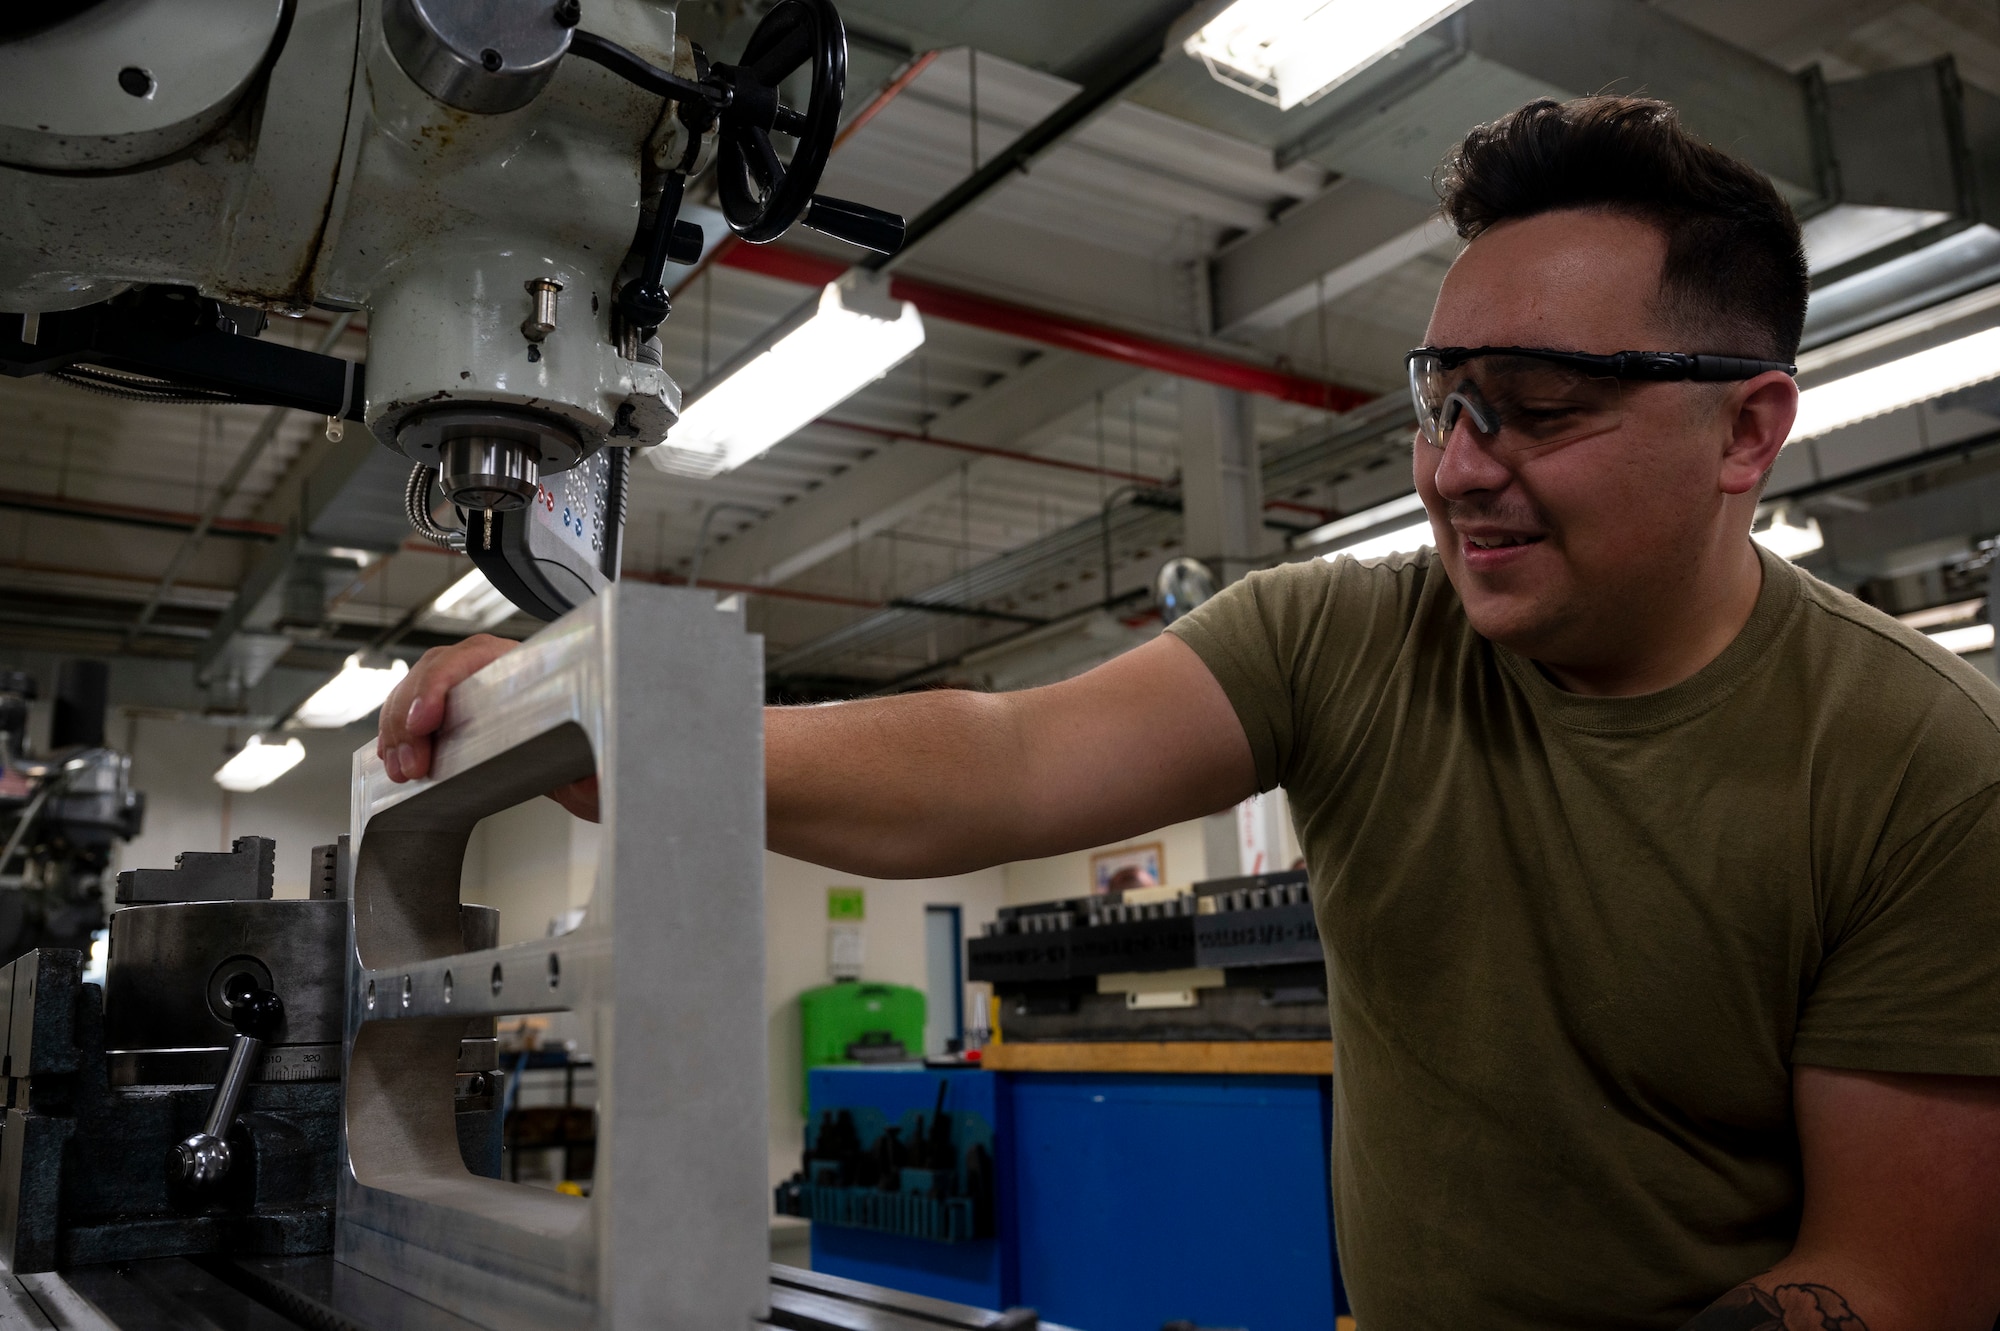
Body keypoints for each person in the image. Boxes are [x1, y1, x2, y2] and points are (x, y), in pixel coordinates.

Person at [378, 97, 2000, 1330]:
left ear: (1747, 431)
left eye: (1542, 411)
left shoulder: (1919, 767)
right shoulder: (1351, 640)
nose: (1454, 468)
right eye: (1441, 402)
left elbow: (1883, 1283)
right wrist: (632, 729)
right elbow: (1005, 760)